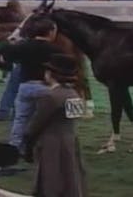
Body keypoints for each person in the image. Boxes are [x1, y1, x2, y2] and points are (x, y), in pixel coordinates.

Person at [23, 53, 87, 197]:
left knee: (51, 176)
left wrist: (28, 140)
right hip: (70, 138)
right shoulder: (74, 94)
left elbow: (37, 123)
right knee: (70, 174)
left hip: (51, 142)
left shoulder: (50, 97)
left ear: (51, 74)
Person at [0, 17, 63, 151]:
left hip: (26, 86)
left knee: (20, 118)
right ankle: (41, 146)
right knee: (46, 120)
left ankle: (15, 146)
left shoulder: (24, 46)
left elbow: (4, 50)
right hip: (47, 87)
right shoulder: (56, 50)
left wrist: (11, 40)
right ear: (50, 32)